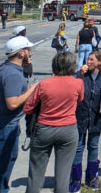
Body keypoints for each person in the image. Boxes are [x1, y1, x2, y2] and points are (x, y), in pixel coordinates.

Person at [24, 51, 84, 193]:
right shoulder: (78, 83)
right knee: (63, 175)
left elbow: (28, 108)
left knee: (36, 173)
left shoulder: (43, 84)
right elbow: (79, 101)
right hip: (68, 129)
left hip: (44, 128)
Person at [0, 35, 37, 193]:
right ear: (20, 53)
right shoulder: (12, 75)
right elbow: (12, 103)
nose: (30, 52)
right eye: (27, 49)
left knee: (5, 162)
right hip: (5, 127)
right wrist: (31, 90)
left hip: (4, 125)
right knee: (2, 167)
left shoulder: (6, 67)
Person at [71, 50, 101, 191]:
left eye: (91, 60)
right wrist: (79, 76)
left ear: (99, 62)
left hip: (97, 117)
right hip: (80, 116)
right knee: (78, 147)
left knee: (93, 146)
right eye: (88, 59)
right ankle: (75, 179)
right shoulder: (81, 75)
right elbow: (72, 90)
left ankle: (92, 178)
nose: (88, 62)